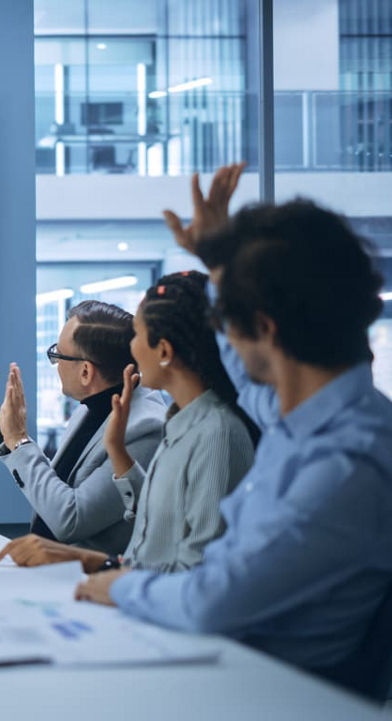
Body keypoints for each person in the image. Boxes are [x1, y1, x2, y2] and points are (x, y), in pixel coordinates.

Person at [75, 166, 392, 683]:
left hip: (260, 691)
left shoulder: (344, 465)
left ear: (264, 329)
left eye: (226, 320)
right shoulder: (308, 418)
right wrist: (221, 263)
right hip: (223, 668)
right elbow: (246, 377)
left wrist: (116, 585)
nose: (218, 334)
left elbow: (212, 601)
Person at [0, 271, 257, 574]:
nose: (129, 350)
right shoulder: (180, 422)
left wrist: (111, 577)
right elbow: (156, 527)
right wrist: (118, 454)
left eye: (138, 335)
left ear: (163, 352)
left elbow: (197, 568)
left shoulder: (214, 433)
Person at [0, 301, 167, 556]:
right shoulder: (87, 410)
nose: (55, 364)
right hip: (49, 570)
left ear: (86, 371)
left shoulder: (145, 427)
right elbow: (56, 492)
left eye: (57, 355)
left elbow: (71, 519)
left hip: (92, 581)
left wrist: (18, 440)